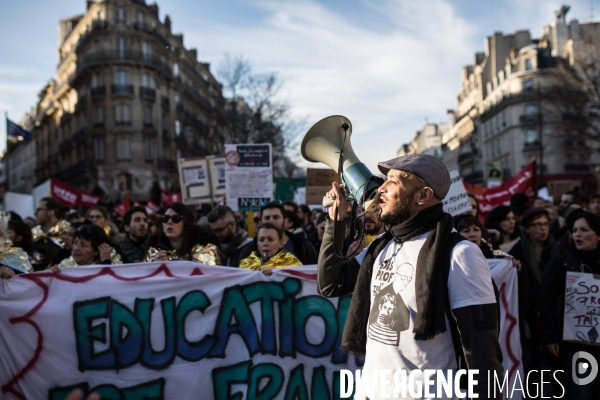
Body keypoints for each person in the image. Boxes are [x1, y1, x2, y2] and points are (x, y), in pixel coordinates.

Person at [318, 154, 502, 399]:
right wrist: (336, 222)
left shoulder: (460, 253)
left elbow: (482, 351)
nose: (380, 189)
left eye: (392, 182)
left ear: (423, 196)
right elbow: (331, 284)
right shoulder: (382, 247)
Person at [540, 211, 600, 399]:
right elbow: (546, 302)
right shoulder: (560, 265)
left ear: (598, 235)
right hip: (574, 344)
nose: (577, 235)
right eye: (574, 230)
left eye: (584, 230)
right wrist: (551, 338)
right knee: (580, 393)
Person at [509, 207, 563, 383]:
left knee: (558, 365)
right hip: (529, 316)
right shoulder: (516, 252)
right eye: (538, 225)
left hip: (553, 316)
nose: (543, 229)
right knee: (531, 362)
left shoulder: (559, 251)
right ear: (527, 228)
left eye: (546, 224)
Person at [238, 201, 318, 265]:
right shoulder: (249, 250)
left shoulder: (303, 246)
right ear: (261, 222)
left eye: (276, 217)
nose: (271, 221)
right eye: (267, 218)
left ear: (285, 221)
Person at [146, 202, 222, 264]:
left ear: (186, 223)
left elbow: (210, 271)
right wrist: (154, 265)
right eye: (165, 218)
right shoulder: (154, 244)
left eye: (176, 218)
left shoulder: (205, 242)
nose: (169, 222)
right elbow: (145, 273)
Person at [51, 224, 122, 271]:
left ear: (97, 251)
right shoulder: (65, 266)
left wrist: (106, 263)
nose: (76, 248)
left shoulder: (114, 264)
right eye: (75, 243)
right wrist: (53, 274)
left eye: (83, 245)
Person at [30, 197, 69, 271]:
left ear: (51, 212)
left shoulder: (68, 232)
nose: (35, 213)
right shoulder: (32, 233)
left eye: (39, 210)